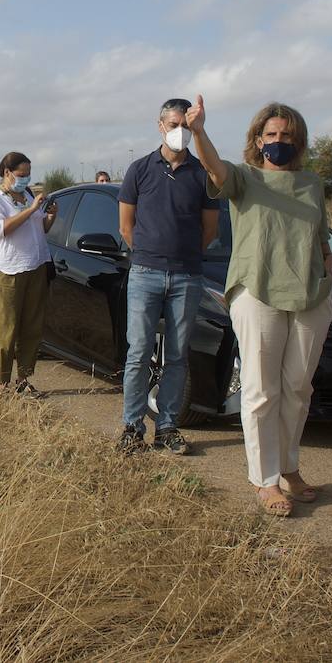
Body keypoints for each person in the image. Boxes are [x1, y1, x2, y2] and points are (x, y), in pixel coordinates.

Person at [188, 96, 332, 516]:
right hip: (257, 292)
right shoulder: (244, 178)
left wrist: (328, 270)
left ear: (298, 141)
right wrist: (199, 131)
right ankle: (265, 480)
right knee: (261, 392)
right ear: (257, 139)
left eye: (287, 135)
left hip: (311, 294)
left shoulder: (311, 185)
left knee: (298, 388)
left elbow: (321, 237)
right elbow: (214, 168)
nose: (279, 140)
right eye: (271, 134)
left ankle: (289, 467)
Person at [116, 98, 219, 455]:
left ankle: (167, 426)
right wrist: (152, 254)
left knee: (177, 355)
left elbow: (209, 230)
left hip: (187, 276)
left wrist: (183, 255)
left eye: (186, 126)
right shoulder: (139, 170)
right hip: (145, 273)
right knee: (139, 352)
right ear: (160, 125)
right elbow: (126, 226)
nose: (180, 132)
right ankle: (132, 426)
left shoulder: (202, 173)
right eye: (174, 125)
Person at [0, 152, 58, 398]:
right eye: (21, 175)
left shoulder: (25, 195)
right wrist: (30, 210)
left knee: (31, 328)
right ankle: (1, 384)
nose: (26, 180)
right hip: (9, 271)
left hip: (35, 266)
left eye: (28, 175)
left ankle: (23, 379)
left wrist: (49, 217)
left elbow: (39, 229)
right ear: (7, 173)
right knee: (7, 329)